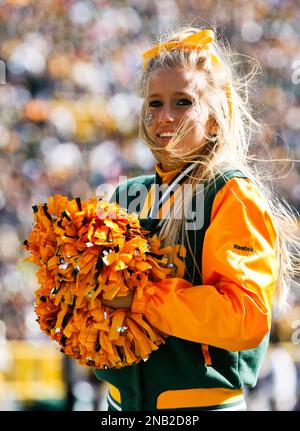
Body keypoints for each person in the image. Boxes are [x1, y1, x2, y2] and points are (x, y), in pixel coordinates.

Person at [93, 26, 300, 411]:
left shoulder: (230, 194)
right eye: (154, 103)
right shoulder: (124, 194)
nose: (165, 116)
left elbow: (244, 318)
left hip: (201, 407)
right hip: (119, 406)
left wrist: (141, 298)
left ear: (215, 117)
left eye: (183, 102)